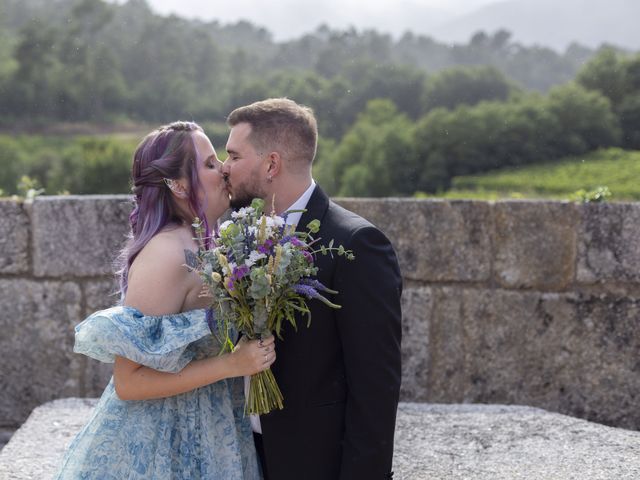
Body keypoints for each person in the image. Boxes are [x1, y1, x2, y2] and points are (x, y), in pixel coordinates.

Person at [55, 121, 275, 479]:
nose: (222, 169)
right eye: (207, 163)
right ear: (177, 184)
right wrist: (232, 365)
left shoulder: (207, 242)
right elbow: (129, 382)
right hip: (164, 441)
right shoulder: (166, 253)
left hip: (215, 428)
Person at [222, 99, 402, 480]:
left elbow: (375, 387)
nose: (225, 167)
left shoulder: (356, 244)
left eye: (234, 155)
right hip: (248, 457)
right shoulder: (245, 238)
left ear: (271, 164)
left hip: (315, 463)